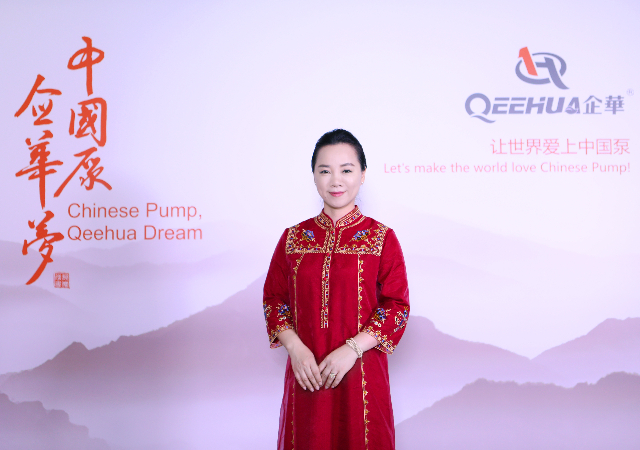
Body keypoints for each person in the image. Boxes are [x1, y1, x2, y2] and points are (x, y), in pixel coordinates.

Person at [263, 129, 410, 450]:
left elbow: (396, 306)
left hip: (362, 373)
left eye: (346, 170)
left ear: (363, 174)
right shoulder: (293, 238)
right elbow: (274, 300)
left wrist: (352, 349)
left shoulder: (382, 238)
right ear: (314, 177)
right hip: (307, 372)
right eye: (325, 171)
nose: (336, 181)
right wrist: (296, 349)